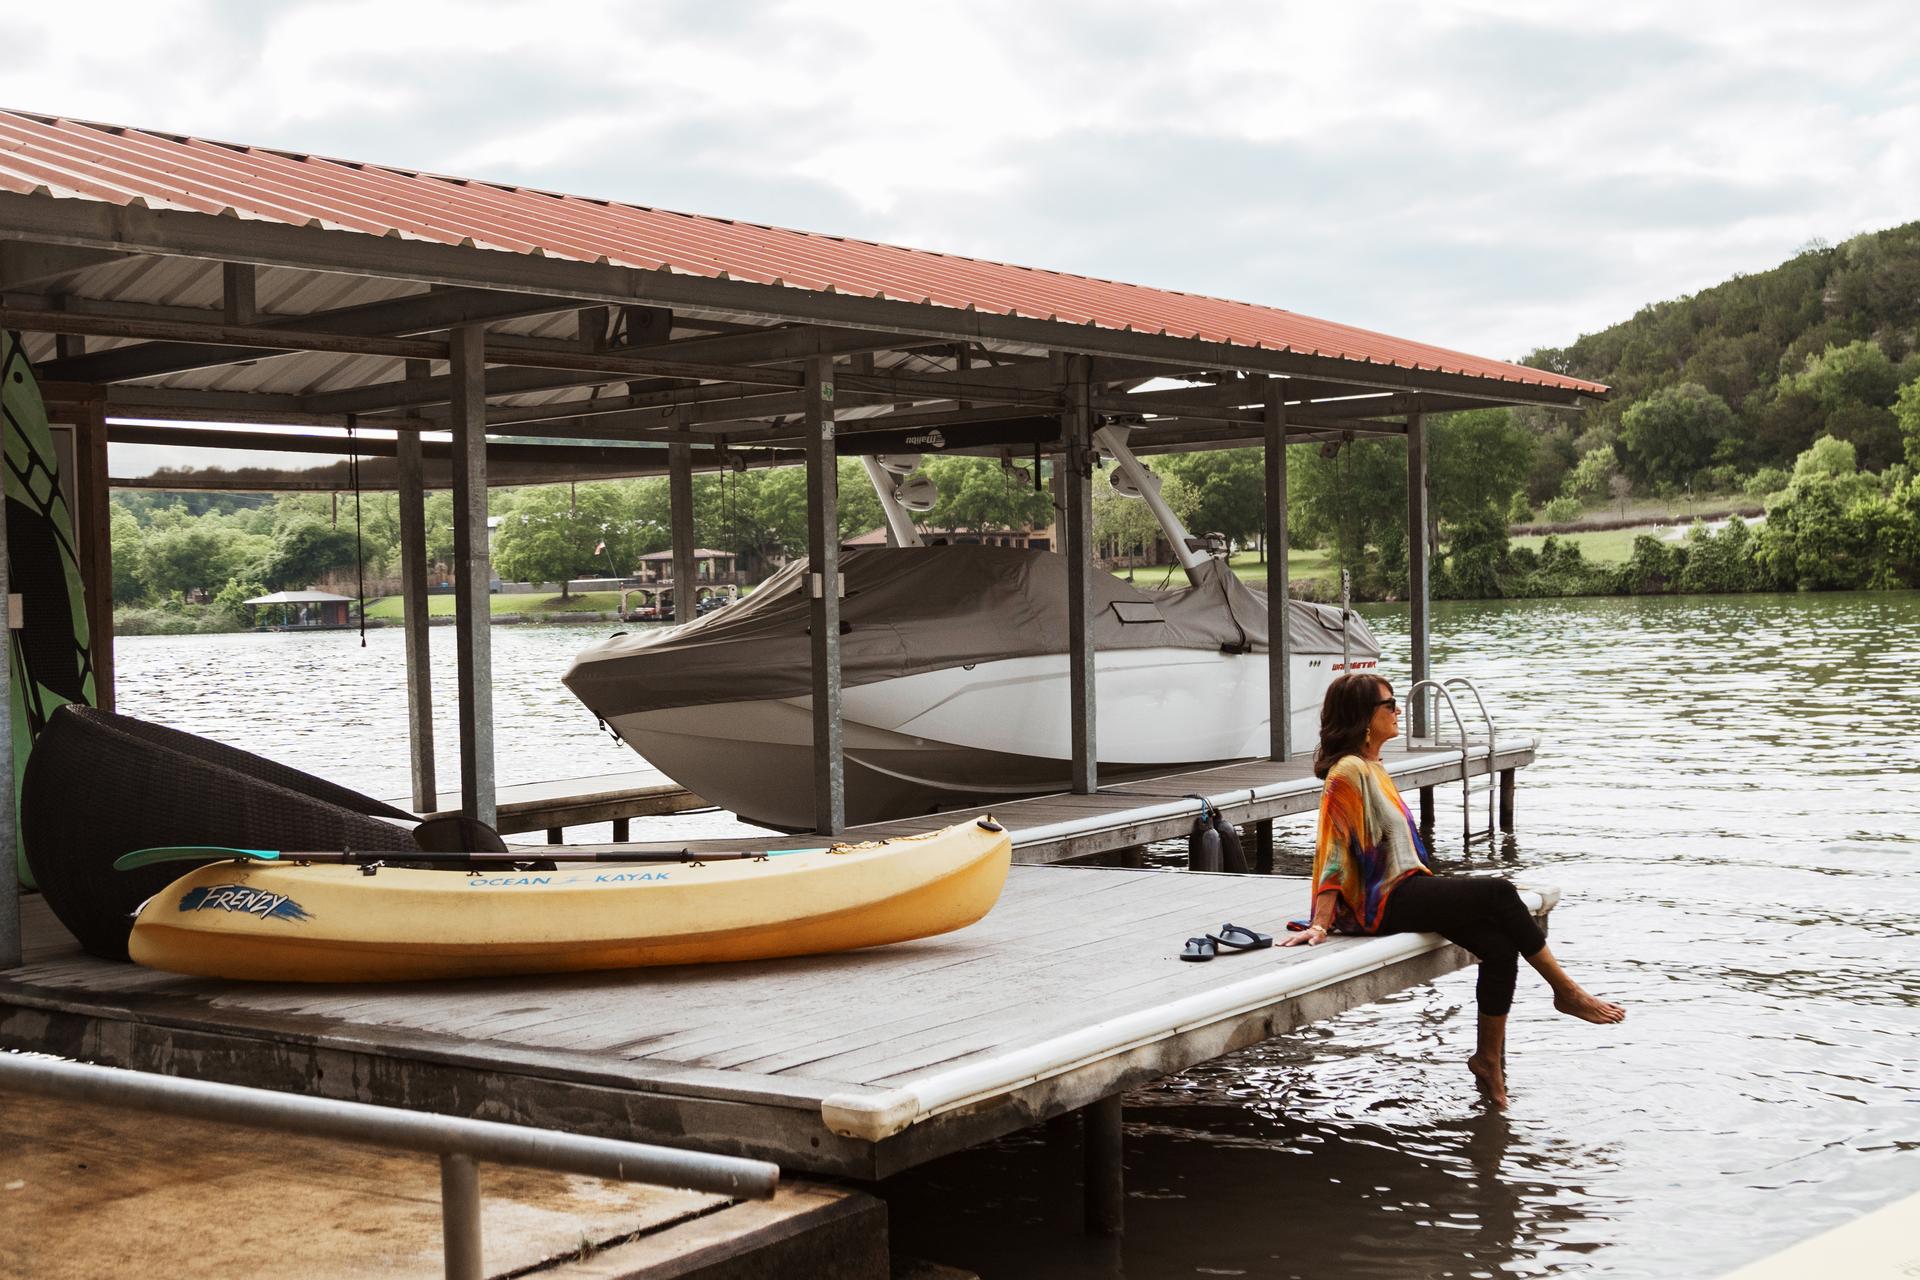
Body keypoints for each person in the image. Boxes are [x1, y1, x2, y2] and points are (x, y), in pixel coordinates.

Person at [1282, 673, 1624, 1107]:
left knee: (1499, 946)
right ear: (1366, 717)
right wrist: (1320, 922)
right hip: (1381, 901)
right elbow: (1332, 849)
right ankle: (1566, 991)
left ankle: (1488, 1060)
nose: (1398, 711)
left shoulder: (1373, 767)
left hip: (1408, 887)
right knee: (1499, 893)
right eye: (1390, 704)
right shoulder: (1348, 771)